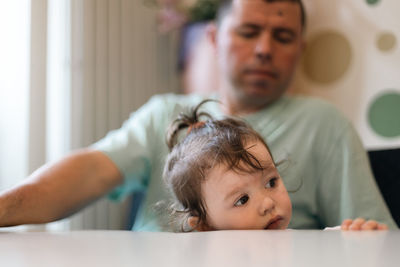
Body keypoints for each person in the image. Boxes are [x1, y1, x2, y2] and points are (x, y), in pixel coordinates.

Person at [0, 0, 397, 230]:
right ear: (214, 39)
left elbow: (375, 239)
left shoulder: (325, 125)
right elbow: (88, 171)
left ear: (300, 49)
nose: (264, 49)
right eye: (248, 31)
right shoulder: (162, 114)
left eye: (283, 36)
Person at [163, 100, 388, 232]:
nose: (268, 203)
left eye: (271, 182)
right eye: (242, 199)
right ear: (204, 226)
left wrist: (360, 243)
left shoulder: (299, 242)